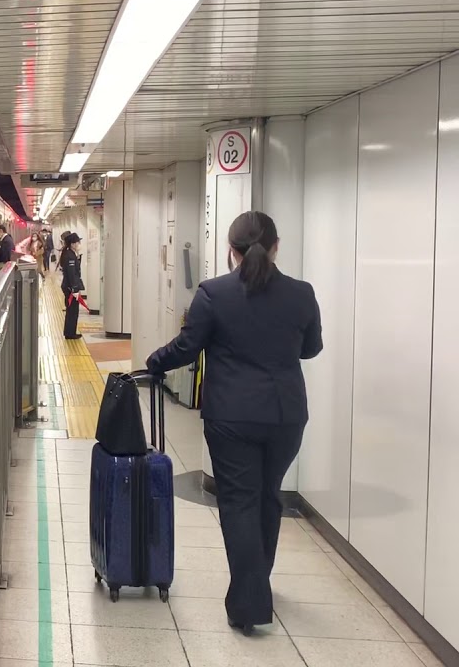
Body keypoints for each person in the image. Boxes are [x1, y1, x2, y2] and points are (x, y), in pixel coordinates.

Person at [145, 211, 323, 636]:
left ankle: (249, 603)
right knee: (266, 497)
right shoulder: (302, 294)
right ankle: (257, 581)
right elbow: (310, 349)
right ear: (276, 247)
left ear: (232, 251)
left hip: (232, 416)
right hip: (285, 417)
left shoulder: (214, 293)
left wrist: (155, 361)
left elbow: (188, 348)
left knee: (240, 502)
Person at [59, 232, 84, 339]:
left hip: (69, 286)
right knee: (72, 310)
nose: (79, 244)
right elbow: (71, 274)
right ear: (72, 244)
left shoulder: (70, 254)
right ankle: (70, 333)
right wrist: (74, 289)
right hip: (70, 287)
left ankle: (70, 332)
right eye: (77, 242)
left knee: (72, 310)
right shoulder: (70, 256)